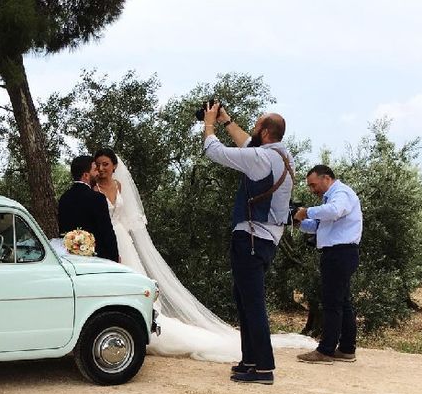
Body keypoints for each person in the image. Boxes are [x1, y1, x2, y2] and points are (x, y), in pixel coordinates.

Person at [91, 148, 317, 364]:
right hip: (104, 238)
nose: (101, 169)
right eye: (98, 165)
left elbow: (129, 219)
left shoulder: (120, 186)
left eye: (106, 164)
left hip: (121, 237)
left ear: (114, 167)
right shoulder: (92, 188)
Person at [203, 103, 294, 385]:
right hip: (266, 238)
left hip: (251, 237)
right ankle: (250, 360)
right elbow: (247, 144)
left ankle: (264, 368)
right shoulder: (281, 155)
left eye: (256, 126)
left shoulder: (261, 159)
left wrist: (209, 125)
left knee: (252, 303)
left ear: (265, 132)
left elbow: (213, 151)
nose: (252, 130)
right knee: (245, 300)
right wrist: (228, 121)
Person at [293, 165, 363, 364]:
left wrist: (306, 211)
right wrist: (297, 222)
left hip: (339, 253)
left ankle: (325, 350)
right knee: (343, 302)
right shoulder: (330, 199)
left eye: (313, 185)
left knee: (332, 302)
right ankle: (347, 348)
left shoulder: (341, 193)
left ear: (326, 179)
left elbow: (333, 211)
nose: (312, 190)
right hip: (339, 253)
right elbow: (318, 226)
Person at [57, 155, 119, 262]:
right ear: (86, 175)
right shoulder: (97, 198)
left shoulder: (64, 198)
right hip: (97, 258)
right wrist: (114, 257)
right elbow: (106, 231)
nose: (98, 172)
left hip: (70, 257)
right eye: (94, 169)